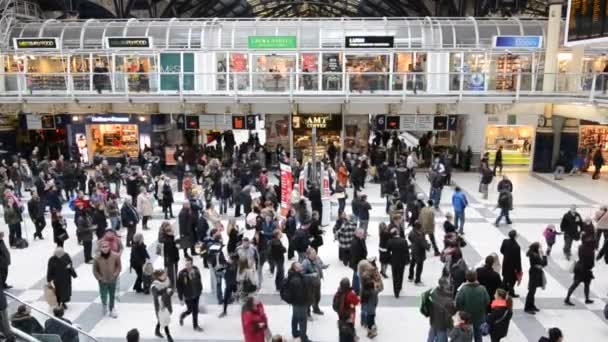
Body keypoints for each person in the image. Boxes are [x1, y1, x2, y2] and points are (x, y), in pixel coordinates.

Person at [455, 271, 490, 342]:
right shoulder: (482, 289)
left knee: (466, 337)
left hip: (466, 317)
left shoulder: (463, 289)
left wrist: (461, 310)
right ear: (476, 277)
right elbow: (487, 301)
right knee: (478, 336)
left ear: (466, 278)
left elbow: (458, 302)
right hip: (479, 316)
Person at [283, 262, 311, 342]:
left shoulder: (292, 275)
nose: (302, 266)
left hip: (295, 303)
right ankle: (304, 338)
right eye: (299, 266)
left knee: (295, 316)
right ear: (295, 269)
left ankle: (295, 332)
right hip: (300, 303)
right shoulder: (297, 280)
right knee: (302, 320)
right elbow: (301, 294)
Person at [93, 241, 122, 318]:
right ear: (100, 248)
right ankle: (104, 304)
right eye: (103, 247)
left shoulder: (115, 256)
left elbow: (118, 267)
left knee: (112, 295)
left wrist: (115, 274)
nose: (105, 249)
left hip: (112, 280)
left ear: (109, 247)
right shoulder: (97, 258)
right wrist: (99, 278)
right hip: (103, 281)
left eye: (106, 247)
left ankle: (111, 308)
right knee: (103, 294)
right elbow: (95, 270)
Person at [564, 237, 596, 306]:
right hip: (585, 270)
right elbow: (591, 263)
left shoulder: (581, 247)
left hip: (579, 267)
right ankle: (587, 299)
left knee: (575, 284)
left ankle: (567, 298)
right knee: (586, 285)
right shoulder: (591, 251)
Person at [176, 257, 203, 331]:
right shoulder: (182, 273)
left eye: (188, 264)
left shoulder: (196, 269)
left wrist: (200, 289)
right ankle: (182, 316)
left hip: (196, 294)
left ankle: (195, 326)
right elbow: (179, 286)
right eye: (186, 264)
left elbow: (199, 279)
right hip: (188, 295)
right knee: (190, 310)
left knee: (195, 310)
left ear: (191, 264)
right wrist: (180, 298)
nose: (187, 265)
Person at [427, 277, 456, 342]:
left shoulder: (433, 293)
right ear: (445, 285)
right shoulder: (449, 300)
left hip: (433, 321)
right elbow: (451, 313)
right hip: (442, 325)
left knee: (431, 337)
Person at [151, 269, 174, 342]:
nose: (165, 275)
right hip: (160, 305)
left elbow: (171, 291)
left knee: (161, 319)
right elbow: (156, 296)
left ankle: (156, 331)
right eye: (163, 275)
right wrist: (166, 293)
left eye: (165, 274)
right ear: (159, 277)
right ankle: (169, 336)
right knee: (164, 319)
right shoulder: (154, 285)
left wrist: (169, 292)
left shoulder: (167, 281)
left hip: (167, 303)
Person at [334, 277, 360, 342]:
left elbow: (335, 306)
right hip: (349, 317)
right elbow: (357, 302)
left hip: (341, 317)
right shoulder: (350, 294)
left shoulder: (338, 293)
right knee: (350, 332)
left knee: (342, 333)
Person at [524, 242, 547, 315]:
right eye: (540, 247)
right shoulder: (535, 255)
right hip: (534, 273)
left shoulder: (534, 254)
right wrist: (544, 255)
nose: (541, 248)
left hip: (535, 272)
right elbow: (544, 263)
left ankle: (532, 305)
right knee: (531, 291)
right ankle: (527, 307)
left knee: (533, 291)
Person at [387, 228, 409, 298]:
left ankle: (395, 291)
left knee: (395, 276)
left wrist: (389, 260)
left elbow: (388, 251)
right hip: (402, 260)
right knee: (401, 274)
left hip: (394, 261)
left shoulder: (390, 241)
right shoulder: (403, 241)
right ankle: (399, 287)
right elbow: (406, 252)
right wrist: (407, 260)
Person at [500, 230, 522, 298]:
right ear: (515, 236)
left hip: (506, 263)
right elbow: (518, 259)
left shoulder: (505, 241)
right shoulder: (517, 247)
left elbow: (501, 250)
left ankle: (503, 292)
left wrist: (506, 255)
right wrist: (519, 269)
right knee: (513, 280)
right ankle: (511, 292)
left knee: (505, 278)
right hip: (513, 266)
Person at [349, 229, 367, 294]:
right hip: (357, 263)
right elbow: (356, 255)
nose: (363, 235)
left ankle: (354, 287)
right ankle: (356, 290)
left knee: (355, 275)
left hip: (358, 262)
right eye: (362, 234)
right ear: (357, 234)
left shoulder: (360, 240)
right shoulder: (356, 243)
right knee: (357, 275)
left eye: (363, 233)